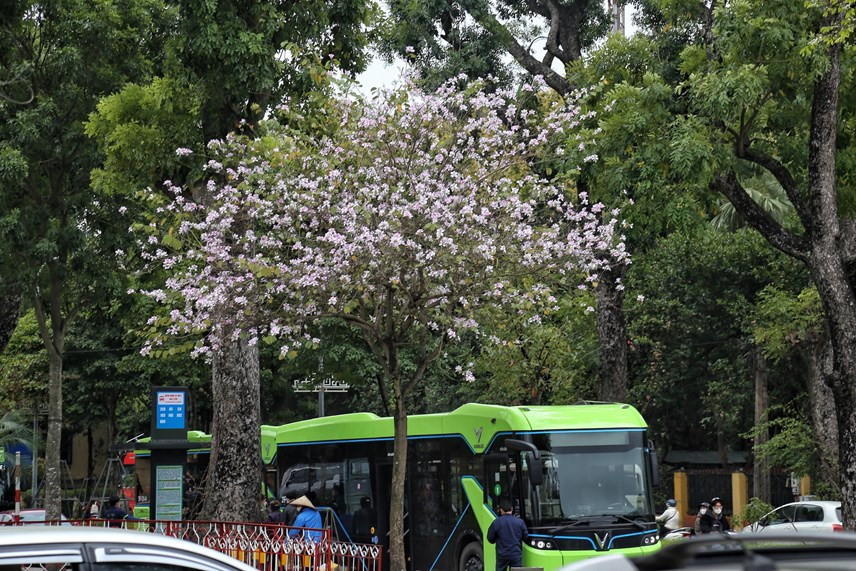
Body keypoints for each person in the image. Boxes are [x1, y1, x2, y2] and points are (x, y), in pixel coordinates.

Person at [487, 497, 528, 571]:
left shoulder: (496, 522)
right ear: (511, 509)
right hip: (516, 555)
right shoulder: (520, 522)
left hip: (502, 555)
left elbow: (490, 538)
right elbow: (525, 537)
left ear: (501, 510)